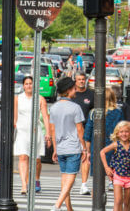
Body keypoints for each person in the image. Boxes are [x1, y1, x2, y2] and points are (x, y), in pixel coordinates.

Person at [49, 77, 88, 211]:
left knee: (65, 178)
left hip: (60, 147)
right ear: (68, 90)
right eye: (73, 88)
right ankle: (57, 205)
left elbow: (53, 130)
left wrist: (55, 149)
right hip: (73, 146)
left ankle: (69, 208)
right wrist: (84, 148)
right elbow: (80, 129)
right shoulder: (75, 107)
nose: (75, 90)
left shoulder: (53, 108)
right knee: (70, 178)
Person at [13, 76, 51, 194]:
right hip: (22, 132)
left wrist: (48, 133)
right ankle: (24, 185)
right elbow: (15, 116)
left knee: (36, 160)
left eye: (30, 83)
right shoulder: (18, 98)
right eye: (26, 84)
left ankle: (36, 179)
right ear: (23, 86)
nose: (29, 86)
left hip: (36, 131)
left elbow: (45, 116)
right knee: (23, 157)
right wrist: (16, 126)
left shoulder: (40, 99)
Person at [84, 88, 124, 190]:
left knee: (97, 175)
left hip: (96, 145)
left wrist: (88, 151)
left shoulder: (93, 112)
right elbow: (121, 130)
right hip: (112, 144)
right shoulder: (118, 112)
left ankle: (96, 192)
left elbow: (88, 133)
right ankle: (111, 182)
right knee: (112, 167)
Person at [100, 122, 130, 211]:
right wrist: (106, 167)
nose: (124, 134)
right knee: (118, 201)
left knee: (127, 202)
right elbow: (102, 152)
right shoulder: (116, 144)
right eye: (121, 132)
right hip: (118, 175)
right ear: (117, 133)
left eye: (126, 131)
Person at [71, 72, 94, 196]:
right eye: (79, 79)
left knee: (86, 157)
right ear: (75, 80)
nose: (81, 81)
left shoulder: (91, 94)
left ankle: (84, 185)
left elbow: (95, 112)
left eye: (83, 79)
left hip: (86, 131)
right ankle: (70, 181)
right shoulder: (72, 94)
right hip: (71, 131)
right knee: (73, 157)